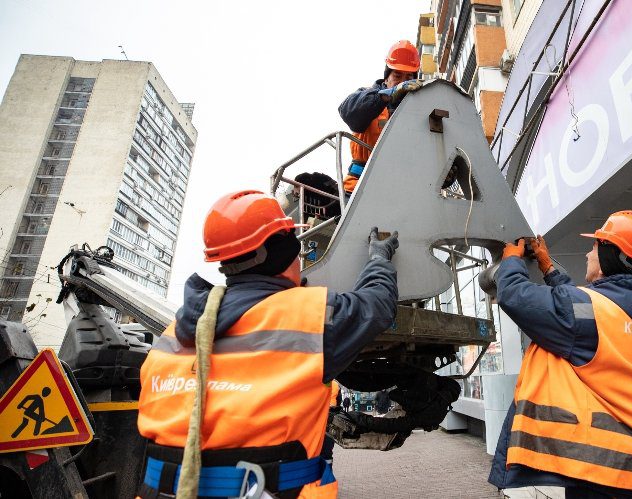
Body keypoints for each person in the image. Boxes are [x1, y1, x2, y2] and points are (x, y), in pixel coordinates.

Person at [137, 189, 399, 499]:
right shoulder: (309, 316)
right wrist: (379, 259)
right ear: (285, 250)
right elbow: (377, 304)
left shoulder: (173, 331)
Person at [488, 211, 632, 499]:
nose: (588, 253)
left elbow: (517, 296)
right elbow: (579, 309)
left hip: (614, 469)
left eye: (595, 247)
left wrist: (510, 261)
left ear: (612, 257)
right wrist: (547, 267)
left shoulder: (589, 313)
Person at [338, 40, 422, 195]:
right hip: (359, 189)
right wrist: (385, 97)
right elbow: (348, 112)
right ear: (386, 79)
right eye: (397, 75)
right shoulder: (367, 97)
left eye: (408, 77)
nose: (403, 82)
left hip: (402, 191)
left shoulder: (419, 112)